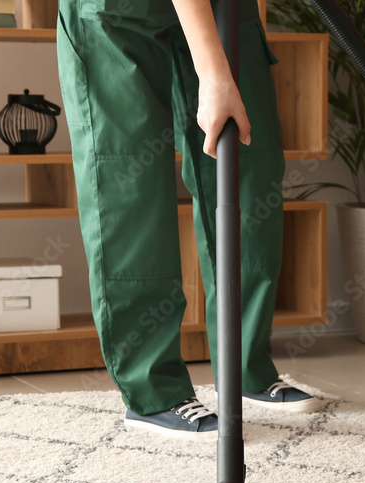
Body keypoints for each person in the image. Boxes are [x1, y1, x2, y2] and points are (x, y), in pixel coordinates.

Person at [56, 0, 322, 441]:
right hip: (117, 14)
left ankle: (244, 367)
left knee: (248, 169)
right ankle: (153, 390)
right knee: (131, 187)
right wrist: (215, 75)